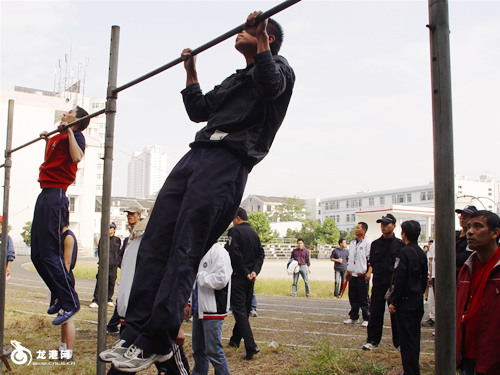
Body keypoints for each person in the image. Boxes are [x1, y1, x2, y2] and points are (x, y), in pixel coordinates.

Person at [107, 11, 294, 372]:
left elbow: (271, 85)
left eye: (248, 30)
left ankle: (158, 339)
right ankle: (133, 337)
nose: (239, 33)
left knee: (183, 249)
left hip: (227, 163)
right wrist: (191, 70)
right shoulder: (236, 78)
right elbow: (199, 110)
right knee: (154, 244)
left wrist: (263, 44)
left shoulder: (280, 69)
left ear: (266, 38)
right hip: (196, 155)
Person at [100, 211, 191, 375]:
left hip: (130, 315)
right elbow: (163, 281)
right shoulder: (159, 243)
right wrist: (173, 322)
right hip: (152, 318)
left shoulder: (133, 240)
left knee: (123, 366)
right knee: (175, 369)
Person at [31, 106, 88, 325]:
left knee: (48, 252)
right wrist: (47, 139)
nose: (65, 112)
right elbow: (53, 162)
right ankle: (58, 294)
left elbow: (76, 157)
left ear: (78, 120)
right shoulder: (57, 136)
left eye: (70, 111)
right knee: (36, 254)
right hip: (44, 193)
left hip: (57, 194)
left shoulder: (76, 136)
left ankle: (70, 301)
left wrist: (71, 132)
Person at [456, 210, 500, 375]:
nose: (470, 232)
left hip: (493, 360)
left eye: (478, 226)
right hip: (468, 356)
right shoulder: (467, 268)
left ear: (494, 233)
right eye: (468, 227)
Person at [185, 243, 232, 374]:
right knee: (198, 350)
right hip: (198, 308)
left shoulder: (219, 252)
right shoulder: (197, 251)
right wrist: (189, 303)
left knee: (214, 351)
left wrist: (199, 276)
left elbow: (221, 279)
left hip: (213, 309)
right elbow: (192, 282)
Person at [388, 220, 428, 375]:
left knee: (406, 340)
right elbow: (424, 277)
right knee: (414, 338)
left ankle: (410, 371)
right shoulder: (420, 252)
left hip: (405, 302)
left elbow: (400, 280)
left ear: (403, 233)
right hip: (417, 300)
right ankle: (413, 370)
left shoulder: (404, 252)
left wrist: (394, 301)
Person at [226, 207, 264, 360]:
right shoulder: (254, 233)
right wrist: (254, 271)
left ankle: (250, 345)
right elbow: (260, 254)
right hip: (250, 278)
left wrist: (245, 271)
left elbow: (235, 253)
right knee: (244, 309)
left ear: (237, 218)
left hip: (239, 276)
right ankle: (235, 340)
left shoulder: (234, 232)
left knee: (239, 310)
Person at [363, 214, 404, 350]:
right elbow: (372, 263)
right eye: (382, 224)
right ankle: (373, 340)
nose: (383, 226)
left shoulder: (400, 245)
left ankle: (399, 343)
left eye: (386, 224)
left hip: (394, 284)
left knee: (396, 313)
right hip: (379, 283)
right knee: (375, 312)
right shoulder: (375, 244)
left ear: (394, 225)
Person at [108, 207, 143, 333]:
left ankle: (114, 326)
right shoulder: (128, 238)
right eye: (128, 214)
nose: (129, 216)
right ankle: (114, 326)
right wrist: (123, 265)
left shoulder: (142, 235)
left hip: (137, 279)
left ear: (139, 215)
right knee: (122, 301)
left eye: (132, 214)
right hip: (126, 277)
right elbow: (122, 255)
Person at [58, 224, 79, 360]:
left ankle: (68, 351)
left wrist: (61, 282)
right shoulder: (61, 236)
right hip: (60, 279)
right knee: (62, 316)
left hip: (64, 279)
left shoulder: (68, 237)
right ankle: (63, 346)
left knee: (68, 317)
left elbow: (67, 262)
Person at [344, 222, 371, 326]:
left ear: (363, 230)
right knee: (353, 296)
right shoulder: (352, 243)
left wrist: (369, 272)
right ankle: (354, 317)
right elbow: (350, 258)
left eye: (358, 228)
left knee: (363, 298)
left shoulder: (367, 243)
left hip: (362, 275)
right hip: (352, 274)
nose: (355, 230)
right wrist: (348, 271)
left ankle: (367, 318)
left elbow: (370, 259)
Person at [90, 222, 122, 308]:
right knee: (100, 282)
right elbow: (100, 252)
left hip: (113, 265)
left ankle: (108, 299)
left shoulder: (117, 240)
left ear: (114, 230)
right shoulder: (103, 239)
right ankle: (96, 300)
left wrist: (117, 263)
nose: (109, 229)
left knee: (111, 282)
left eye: (111, 228)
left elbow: (118, 252)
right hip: (104, 265)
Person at [455, 205, 478, 276]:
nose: (462, 218)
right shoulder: (454, 236)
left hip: (465, 275)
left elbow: (463, 259)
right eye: (461, 216)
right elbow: (442, 256)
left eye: (466, 216)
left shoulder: (473, 237)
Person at [422, 240, 435, 327]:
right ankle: (433, 317)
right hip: (433, 274)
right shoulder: (434, 244)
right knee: (431, 299)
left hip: (438, 274)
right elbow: (430, 260)